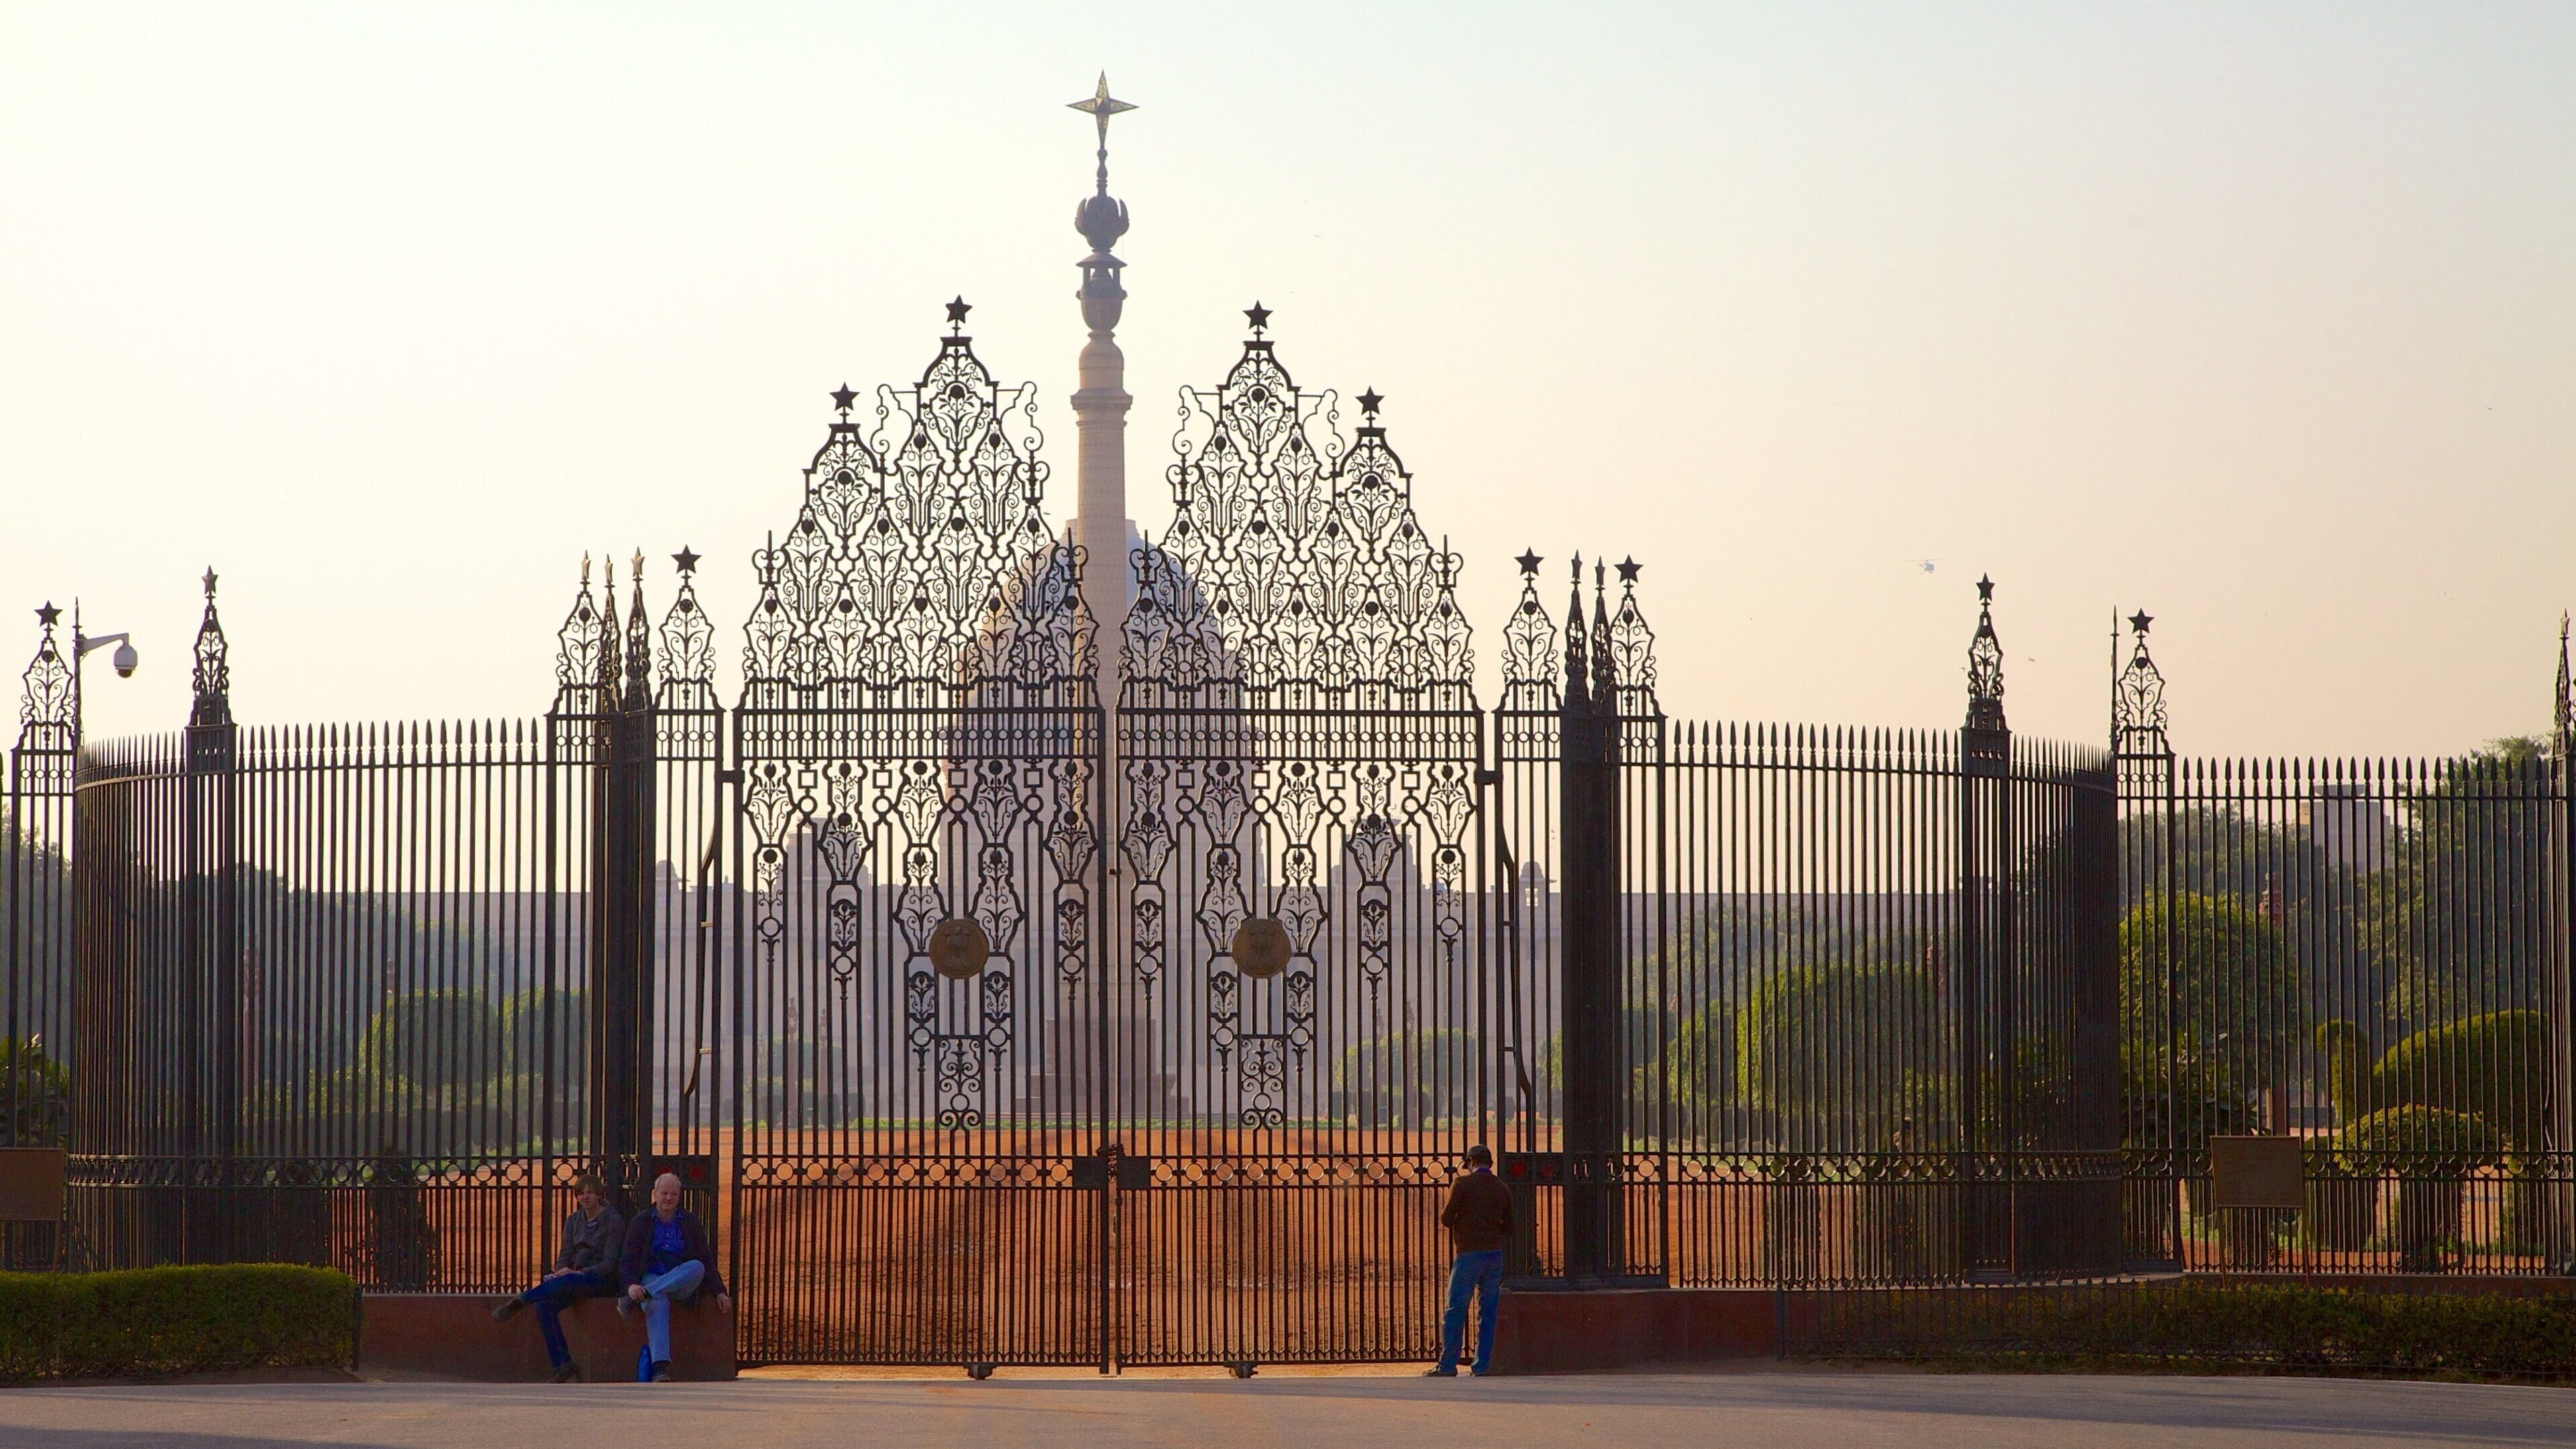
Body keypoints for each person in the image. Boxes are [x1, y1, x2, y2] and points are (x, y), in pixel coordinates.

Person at [491, 1173, 625, 1383]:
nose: (585, 1197)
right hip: (574, 1279)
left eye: (590, 1192)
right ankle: (563, 1365)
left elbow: (610, 1263)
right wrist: (560, 1271)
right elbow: (565, 1256)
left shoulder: (613, 1221)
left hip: (602, 1280)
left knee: (569, 1281)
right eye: (580, 1193)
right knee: (544, 1306)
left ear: (599, 1194)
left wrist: (579, 1273)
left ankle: (522, 1299)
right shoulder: (574, 1221)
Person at [619, 1171, 732, 1382]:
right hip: (651, 1277)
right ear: (655, 1194)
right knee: (657, 1301)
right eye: (664, 1193)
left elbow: (706, 1260)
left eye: (673, 1194)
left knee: (696, 1266)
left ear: (679, 1196)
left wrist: (719, 1292)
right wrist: (631, 1285)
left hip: (681, 1284)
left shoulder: (689, 1222)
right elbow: (628, 1259)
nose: (668, 1198)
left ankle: (647, 1293)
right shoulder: (641, 1222)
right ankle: (661, 1367)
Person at [1426, 1143, 1513, 1377]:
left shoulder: (1462, 1184)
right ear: (1490, 1163)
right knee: (1488, 1311)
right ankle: (1481, 1366)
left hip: (1468, 1254)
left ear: (1471, 1162)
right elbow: (1511, 1227)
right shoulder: (1502, 1188)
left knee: (1456, 1309)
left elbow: (1446, 1218)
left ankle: (1447, 1365)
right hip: (1494, 1254)